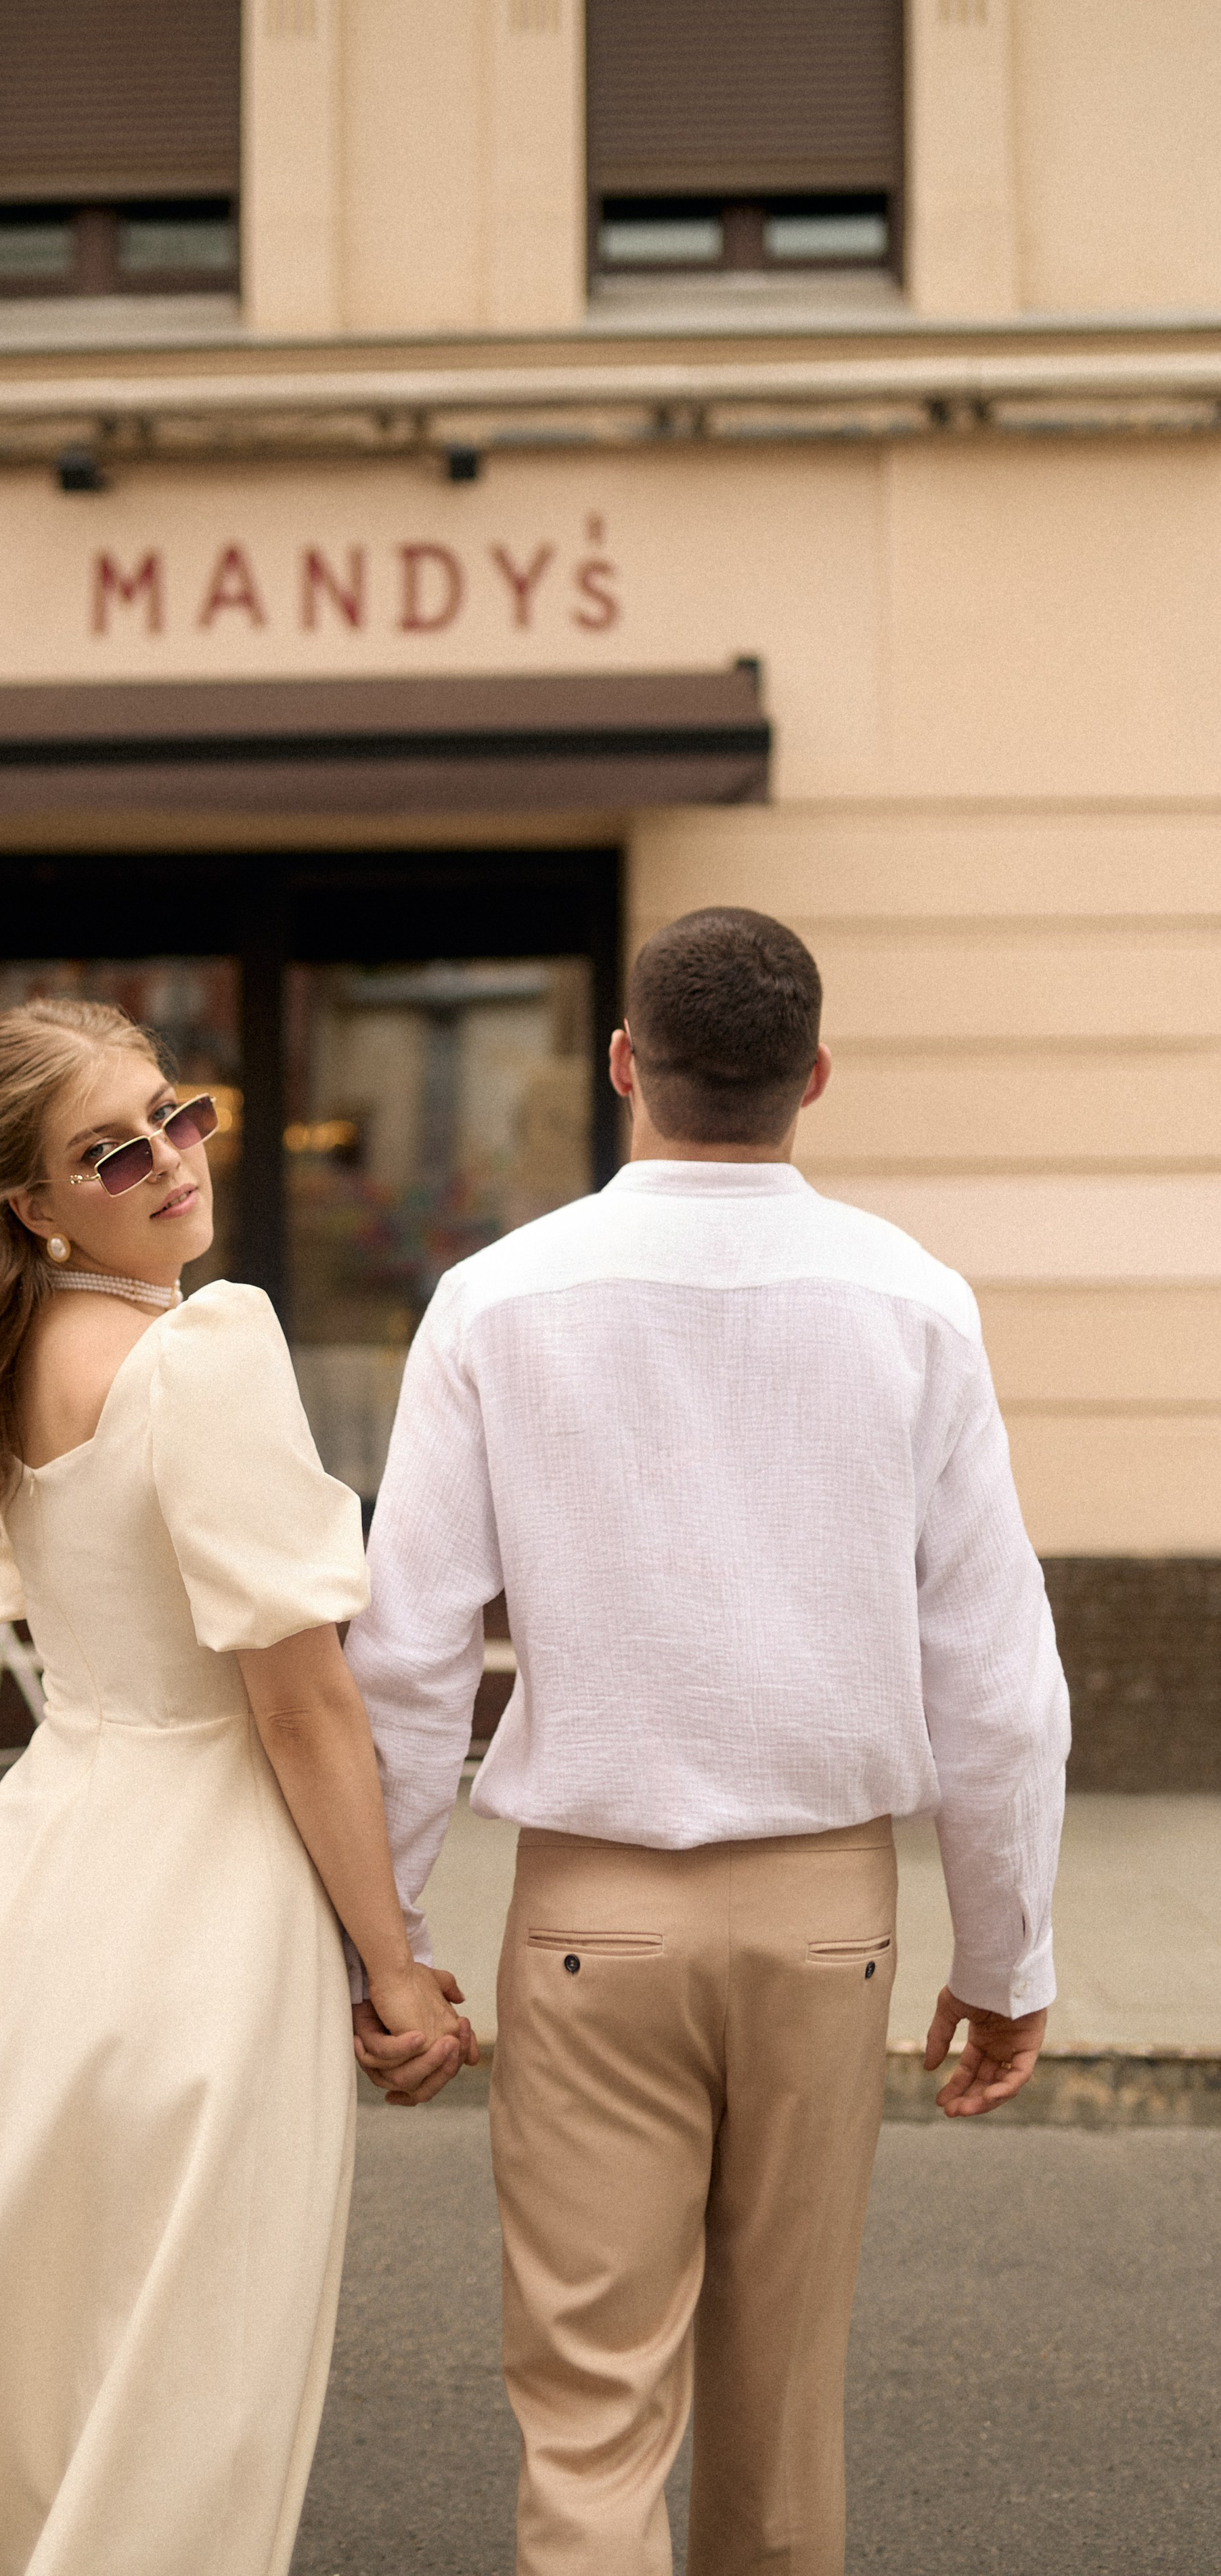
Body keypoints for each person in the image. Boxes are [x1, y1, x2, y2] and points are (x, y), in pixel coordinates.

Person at [345, 908, 1070, 2575]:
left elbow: (405, 1656)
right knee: (781, 2406)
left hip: (591, 1913)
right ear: (812, 1077)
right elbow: (993, 1675)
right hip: (829, 1919)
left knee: (591, 2413)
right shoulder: (915, 1304)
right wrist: (1004, 1948)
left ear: (622, 1069)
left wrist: (389, 1943)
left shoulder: (490, 1301)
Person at [0, 998, 474, 2576]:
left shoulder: (16, 1353)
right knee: (193, 2347)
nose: (169, 1163)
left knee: (41, 2312)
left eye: (173, 1116)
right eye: (110, 1152)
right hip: (197, 1893)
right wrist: (394, 1968)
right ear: (35, 1204)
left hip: (49, 1876)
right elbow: (303, 1704)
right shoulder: (200, 1354)